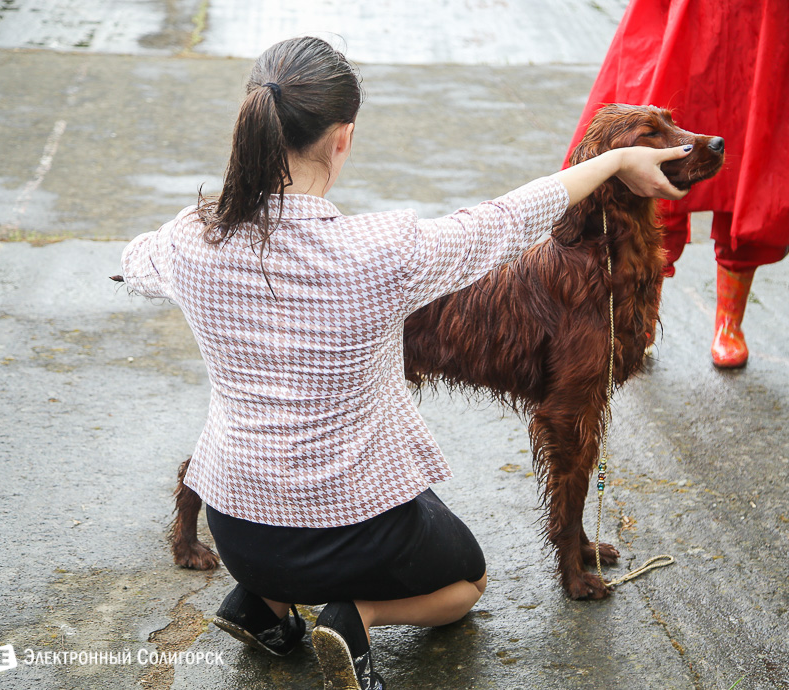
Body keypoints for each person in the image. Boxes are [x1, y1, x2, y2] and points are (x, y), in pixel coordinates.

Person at [117, 37, 691, 690]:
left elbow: (135, 263)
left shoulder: (191, 237)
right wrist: (614, 159)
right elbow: (505, 218)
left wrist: (168, 265)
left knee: (285, 546)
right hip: (350, 526)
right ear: (344, 138)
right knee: (466, 582)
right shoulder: (381, 250)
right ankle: (353, 616)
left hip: (239, 532)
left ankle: (262, 604)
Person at [566, 0, 789, 368]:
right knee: (658, 151)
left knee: (756, 170)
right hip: (688, 17)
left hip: (769, 20)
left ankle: (730, 319)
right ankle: (641, 309)